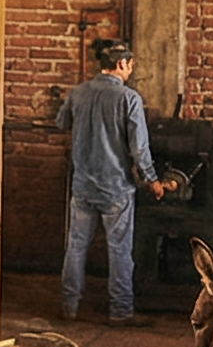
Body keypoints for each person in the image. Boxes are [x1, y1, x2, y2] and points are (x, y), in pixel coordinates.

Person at [54, 39, 179, 325]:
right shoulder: (128, 99)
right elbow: (139, 148)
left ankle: (69, 307)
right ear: (122, 64)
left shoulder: (78, 92)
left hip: (83, 186)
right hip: (116, 189)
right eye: (131, 66)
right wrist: (153, 181)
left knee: (75, 246)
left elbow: (61, 122)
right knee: (120, 250)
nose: (130, 71)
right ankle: (120, 311)